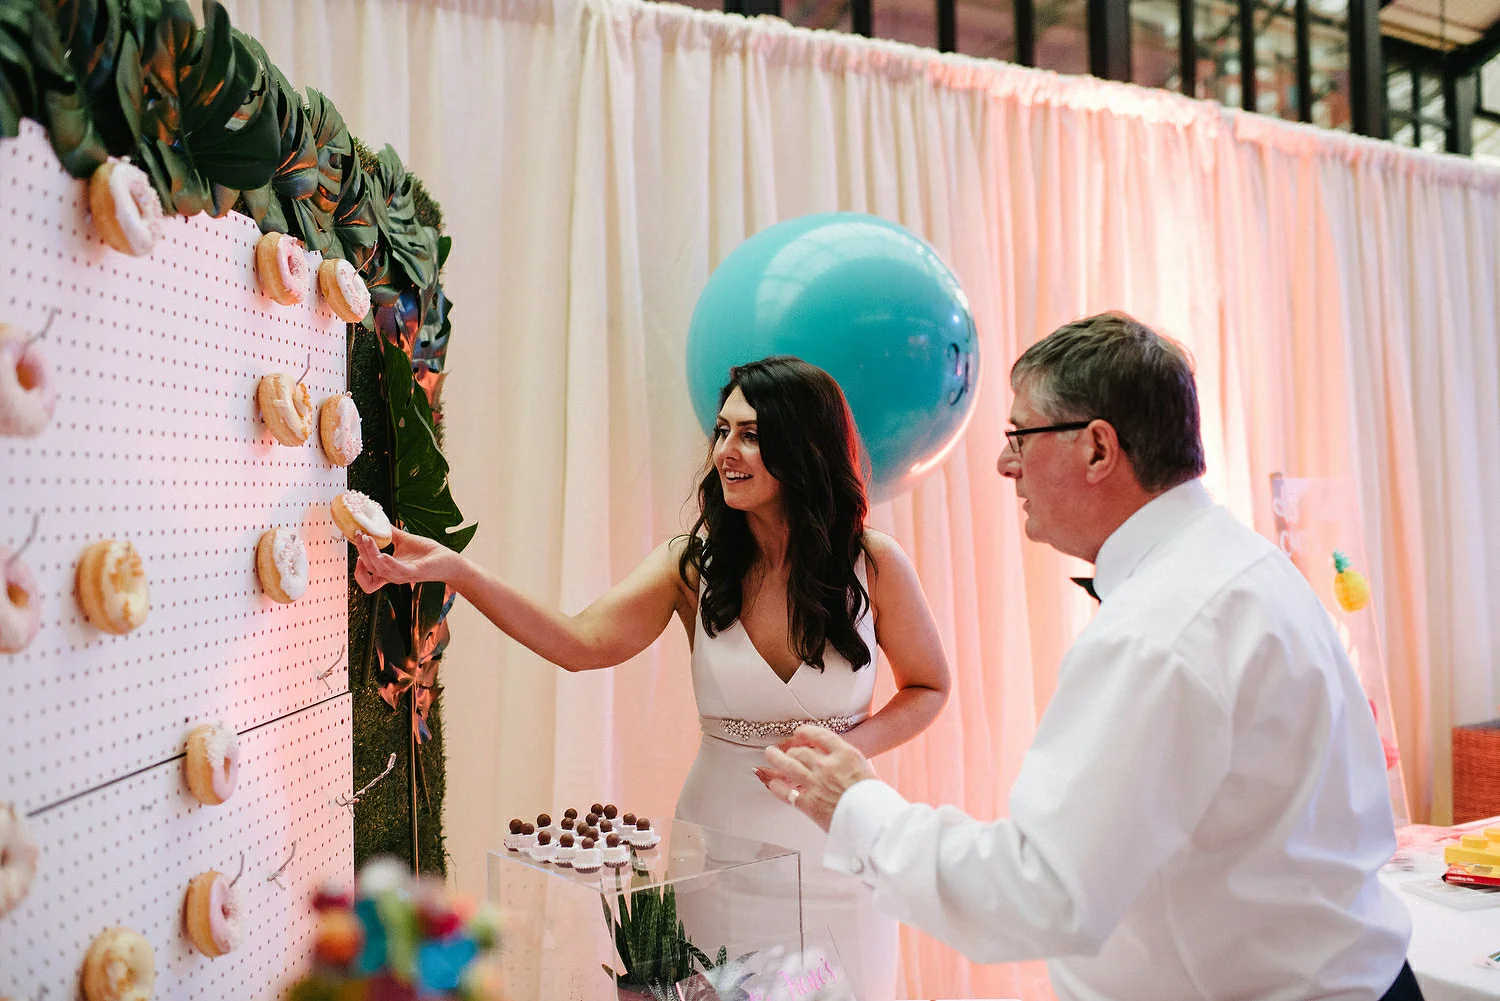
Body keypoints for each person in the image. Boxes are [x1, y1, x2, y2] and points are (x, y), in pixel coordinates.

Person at [756, 313, 1418, 1001]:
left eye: (1019, 435)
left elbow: (1041, 892)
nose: (1004, 463)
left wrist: (857, 806)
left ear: (1099, 449)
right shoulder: (1245, 563)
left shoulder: (1159, 630)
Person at [353, 355, 951, 1000]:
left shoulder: (874, 562)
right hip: (718, 856)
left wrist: (849, 750)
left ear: (804, 445)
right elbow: (578, 643)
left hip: (840, 850)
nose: (727, 450)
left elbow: (929, 687)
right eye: (722, 431)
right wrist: (458, 571)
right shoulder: (691, 565)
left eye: (751, 434)